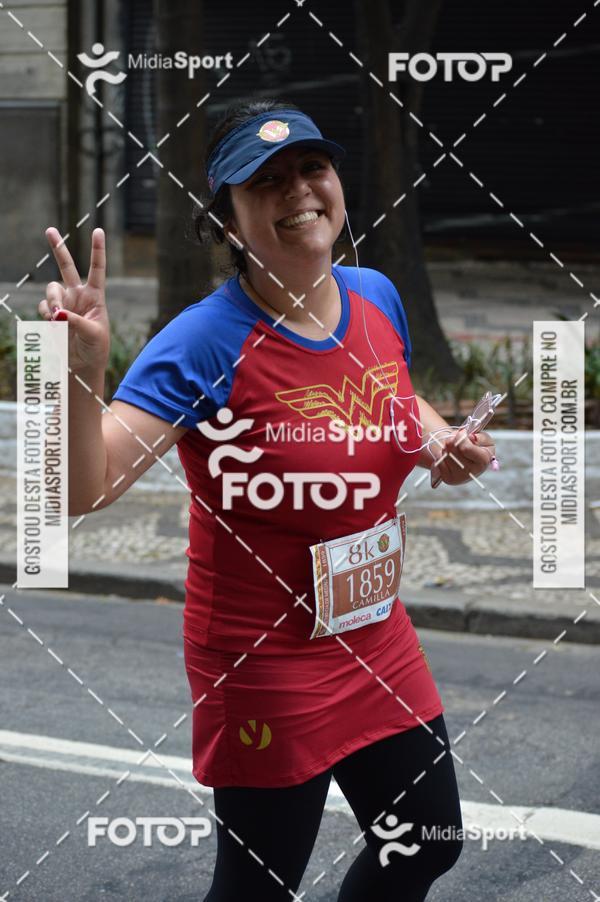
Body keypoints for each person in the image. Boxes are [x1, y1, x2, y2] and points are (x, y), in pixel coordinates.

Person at [40, 98, 496, 901]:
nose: (298, 193)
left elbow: (393, 397)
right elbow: (85, 489)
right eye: (266, 182)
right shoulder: (203, 341)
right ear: (227, 220)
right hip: (264, 659)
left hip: (373, 632)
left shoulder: (376, 296)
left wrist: (439, 443)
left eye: (311, 169)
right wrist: (82, 368)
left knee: (427, 839)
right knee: (258, 888)